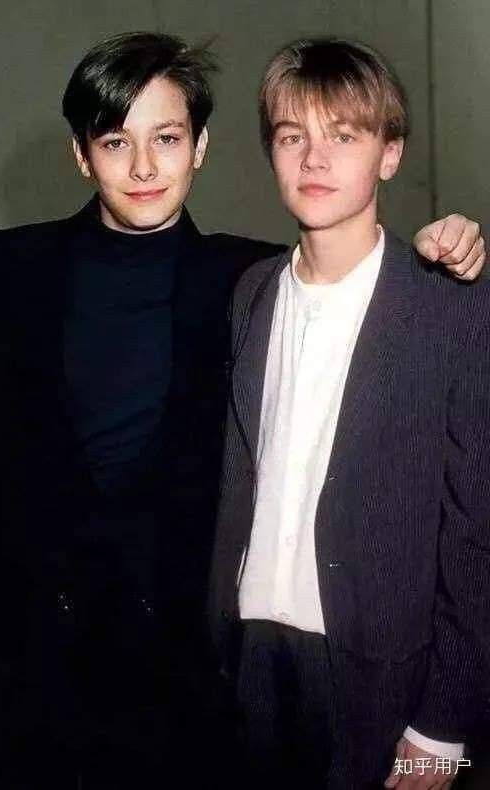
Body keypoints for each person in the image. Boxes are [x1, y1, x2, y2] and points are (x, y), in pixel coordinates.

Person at [0, 31, 485, 790]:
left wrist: (444, 248)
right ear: (82, 155)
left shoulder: (245, 279)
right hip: (29, 663)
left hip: (181, 679)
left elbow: (349, 272)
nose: (145, 167)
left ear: (201, 146)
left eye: (168, 137)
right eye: (117, 141)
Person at [209, 37, 490, 790]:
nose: (314, 159)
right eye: (292, 136)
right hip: (250, 660)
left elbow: (476, 532)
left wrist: (443, 722)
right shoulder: (252, 295)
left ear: (389, 154)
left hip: (376, 670)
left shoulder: (448, 306)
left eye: (344, 135)